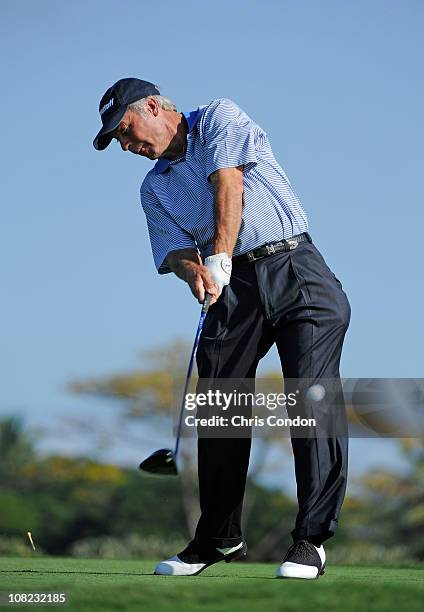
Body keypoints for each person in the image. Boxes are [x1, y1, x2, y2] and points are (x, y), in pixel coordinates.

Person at [93, 78, 351, 579]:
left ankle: (311, 540)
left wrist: (220, 254)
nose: (127, 146)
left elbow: (227, 181)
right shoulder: (155, 187)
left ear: (152, 105)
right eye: (119, 143)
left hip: (295, 268)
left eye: (125, 131)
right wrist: (198, 273)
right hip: (233, 288)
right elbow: (172, 251)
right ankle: (217, 538)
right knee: (220, 402)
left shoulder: (218, 117)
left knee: (309, 400)